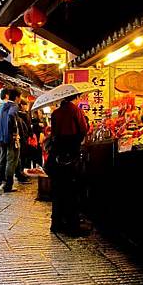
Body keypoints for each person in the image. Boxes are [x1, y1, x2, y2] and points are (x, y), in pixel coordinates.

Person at [47, 94, 89, 236]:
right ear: (75, 98)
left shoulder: (55, 113)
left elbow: (53, 133)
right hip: (72, 153)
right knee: (72, 189)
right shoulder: (76, 110)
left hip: (57, 155)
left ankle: (57, 223)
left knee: (58, 189)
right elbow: (83, 129)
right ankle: (72, 225)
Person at [0, 88, 21, 192]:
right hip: (9, 138)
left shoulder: (1, 106)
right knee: (11, 160)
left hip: (1, 137)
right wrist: (14, 132)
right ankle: (8, 185)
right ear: (17, 97)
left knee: (2, 160)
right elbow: (11, 115)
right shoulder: (13, 106)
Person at [15, 98, 32, 183]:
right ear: (21, 105)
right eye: (25, 105)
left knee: (22, 155)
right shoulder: (22, 115)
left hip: (23, 137)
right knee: (21, 155)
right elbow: (27, 127)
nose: (26, 107)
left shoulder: (23, 114)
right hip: (22, 137)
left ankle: (20, 172)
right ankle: (20, 172)